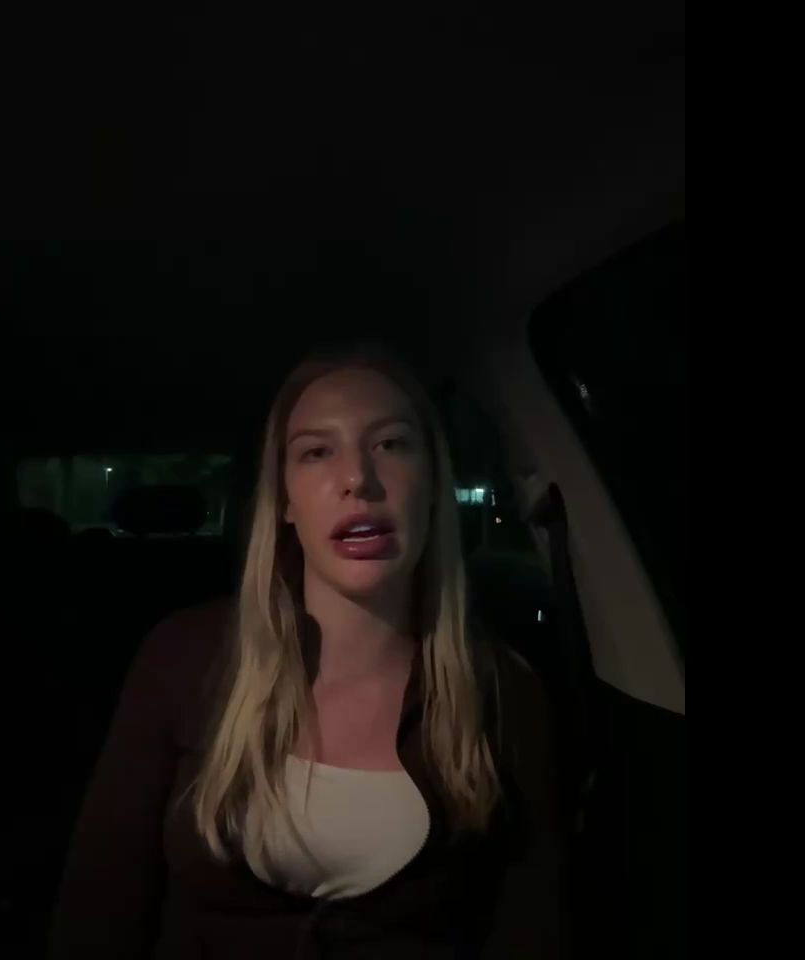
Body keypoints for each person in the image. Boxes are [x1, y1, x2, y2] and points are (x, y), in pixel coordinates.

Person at [48, 344, 565, 959]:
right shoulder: (182, 657)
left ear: (433, 483)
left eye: (391, 444)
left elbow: (532, 930)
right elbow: (97, 913)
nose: (358, 479)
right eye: (317, 451)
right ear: (286, 502)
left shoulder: (504, 693)